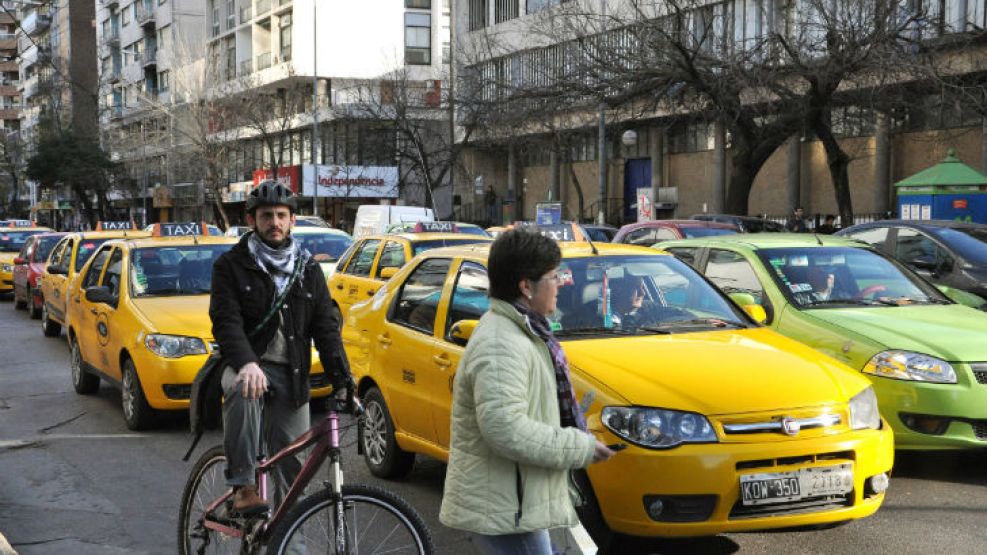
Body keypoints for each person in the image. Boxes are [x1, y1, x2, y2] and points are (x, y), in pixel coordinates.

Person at [440, 229, 614, 554]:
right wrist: (578, 446)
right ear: (526, 286)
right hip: (506, 511)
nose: (561, 283)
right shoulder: (500, 344)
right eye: (553, 276)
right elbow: (506, 429)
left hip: (515, 504)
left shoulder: (524, 333)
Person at [209, 180, 352, 515]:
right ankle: (243, 487)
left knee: (294, 475)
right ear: (252, 221)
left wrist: (344, 379)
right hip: (247, 364)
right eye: (266, 216)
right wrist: (246, 362)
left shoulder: (308, 268)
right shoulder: (230, 265)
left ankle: (288, 545)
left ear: (292, 221)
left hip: (292, 372)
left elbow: (325, 328)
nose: (274, 222)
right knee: (243, 389)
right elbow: (225, 321)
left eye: (281, 215)